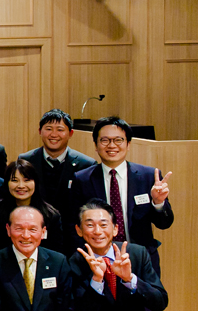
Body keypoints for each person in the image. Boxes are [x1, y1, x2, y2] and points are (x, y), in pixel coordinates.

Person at [70, 116, 173, 275]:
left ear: (128, 144)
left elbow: (164, 223)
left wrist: (158, 203)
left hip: (141, 259)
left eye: (118, 140)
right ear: (96, 145)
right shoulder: (82, 179)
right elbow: (73, 223)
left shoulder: (148, 176)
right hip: (98, 261)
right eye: (105, 140)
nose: (112, 145)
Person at [18, 109, 96, 228]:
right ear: (40, 131)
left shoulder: (86, 164)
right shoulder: (26, 160)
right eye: (49, 129)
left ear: (70, 133)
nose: (54, 134)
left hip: (71, 230)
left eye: (60, 130)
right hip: (34, 229)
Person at [0, 159, 64, 253]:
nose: (21, 186)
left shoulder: (51, 215)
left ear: (35, 182)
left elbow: (56, 251)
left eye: (26, 180)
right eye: (14, 180)